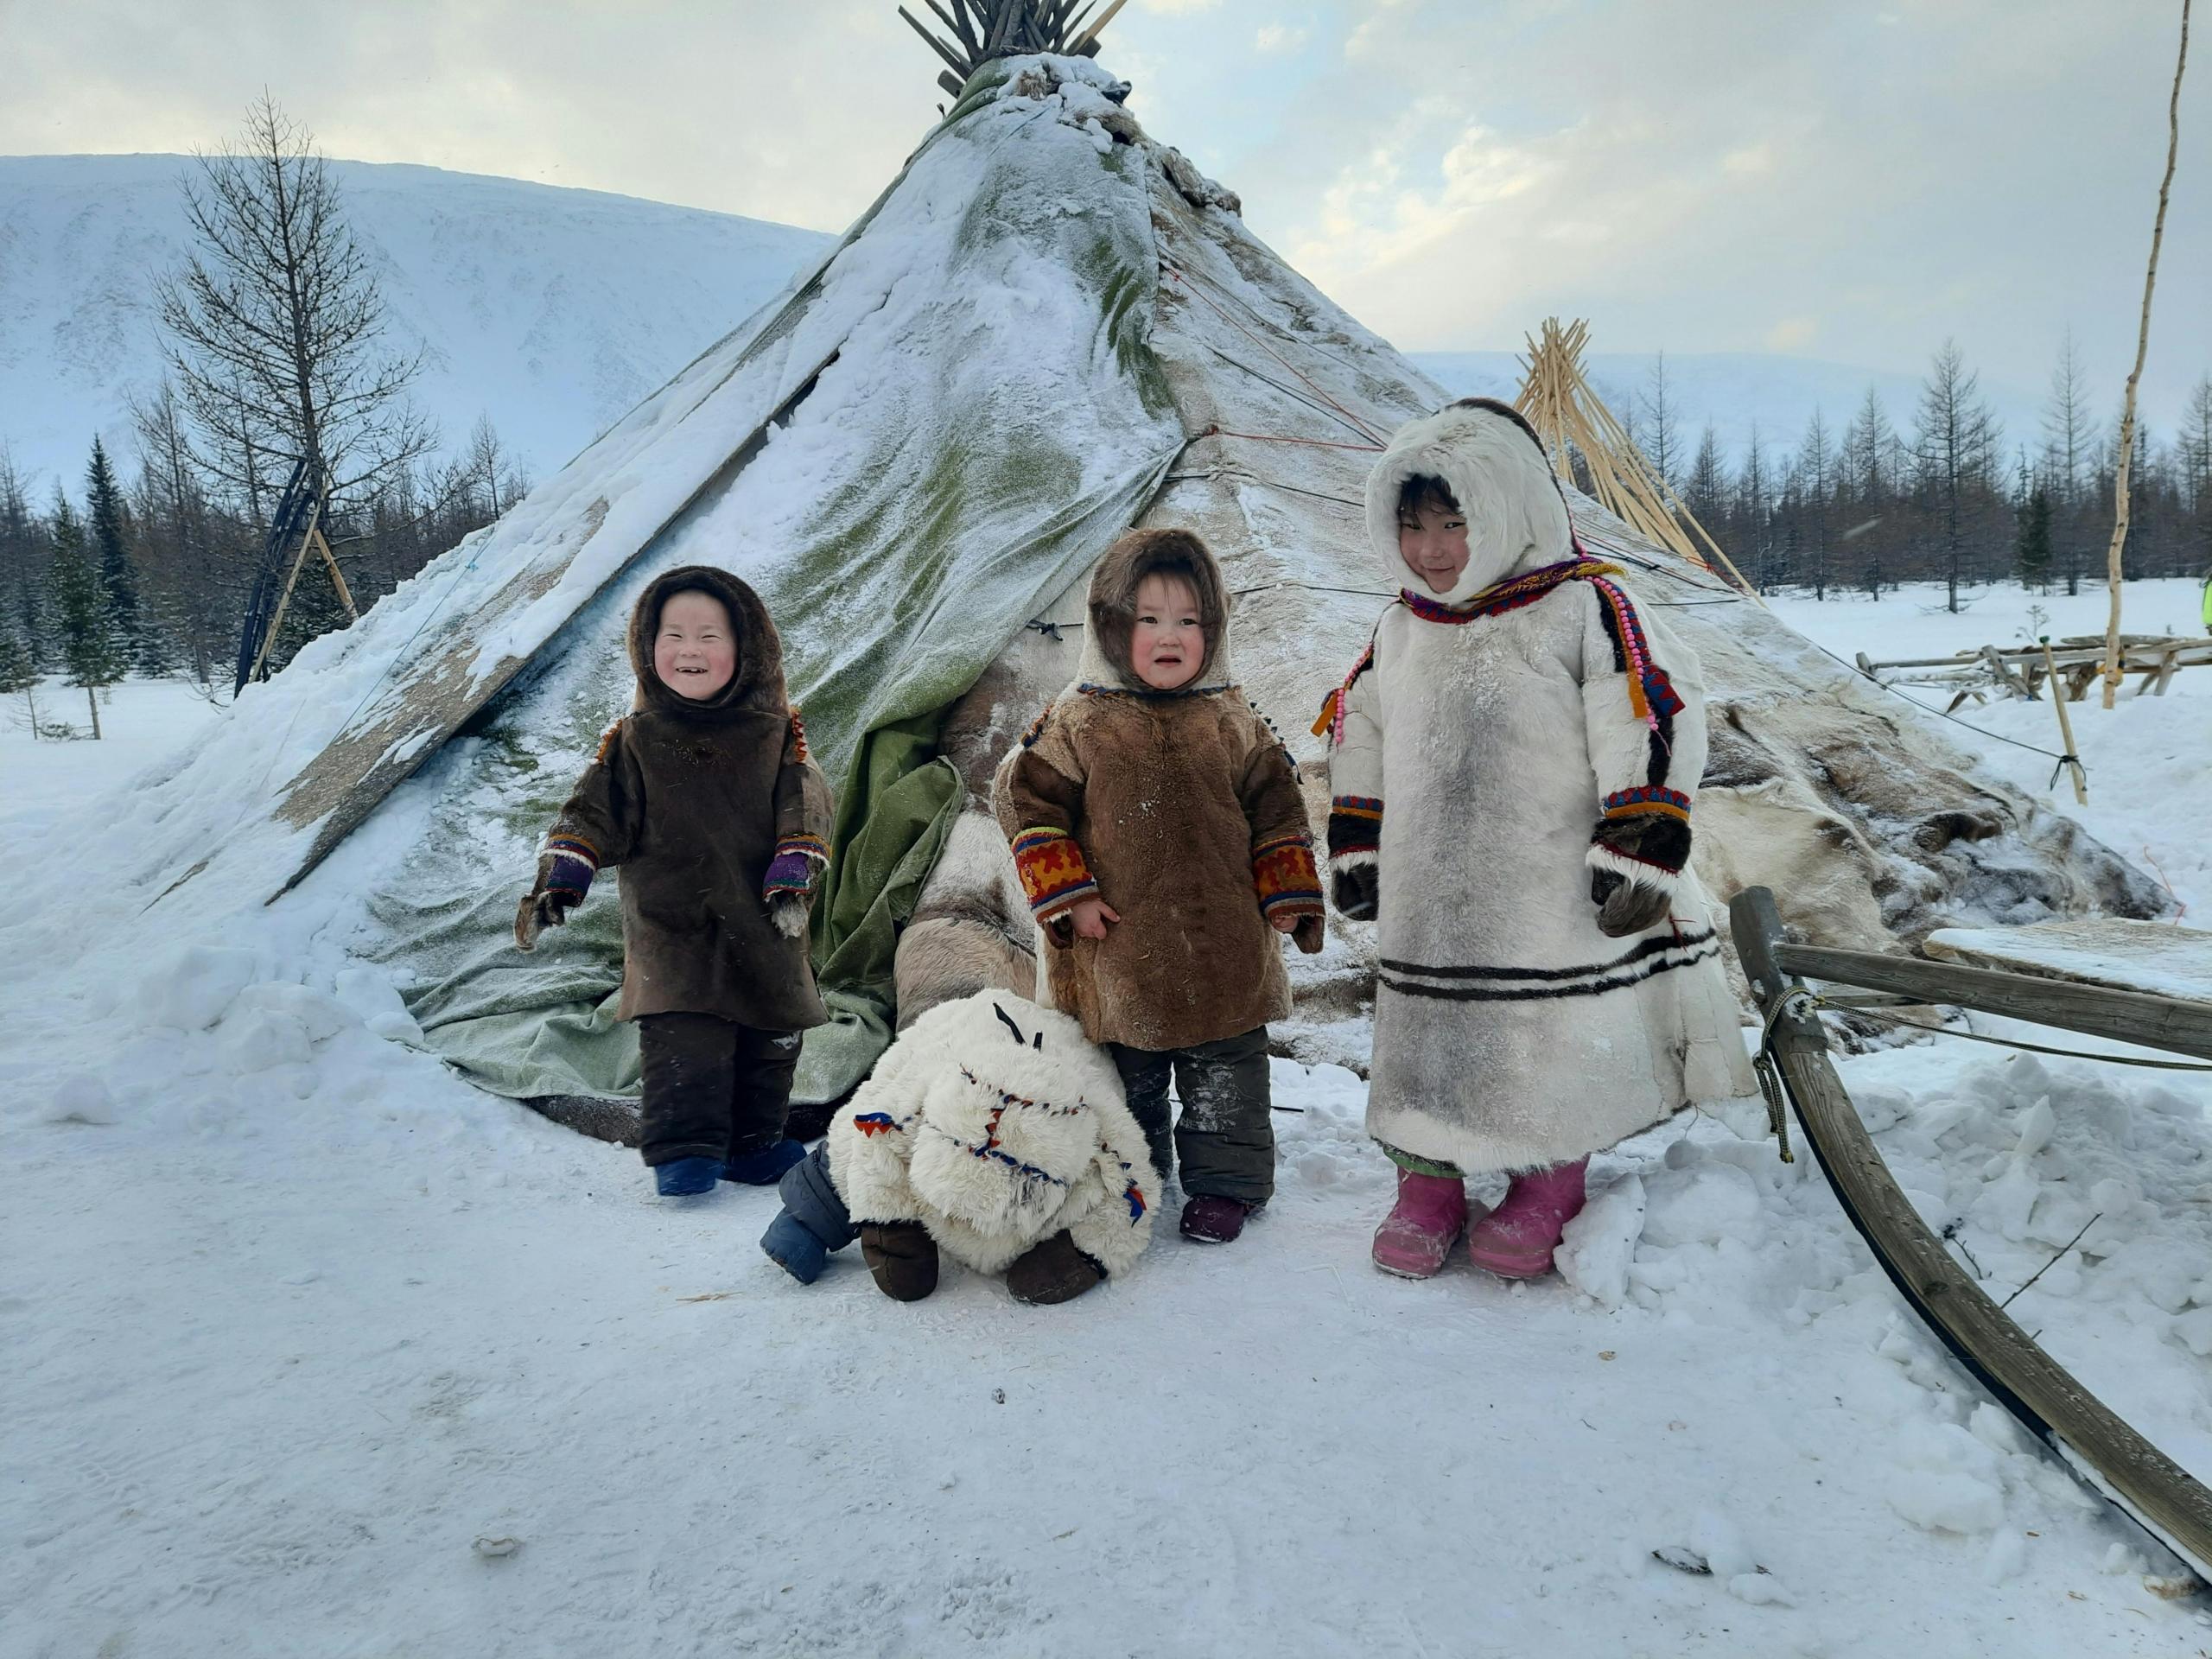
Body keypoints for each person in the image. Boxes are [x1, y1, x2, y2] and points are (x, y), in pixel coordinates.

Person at [1319, 398, 1753, 1280]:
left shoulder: (1583, 605)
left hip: (1549, 889)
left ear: (1507, 507)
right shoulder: (1402, 629)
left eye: (1454, 522)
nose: (1433, 549)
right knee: (1425, 1042)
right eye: (1412, 528)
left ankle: (1550, 1179)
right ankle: (1426, 1184)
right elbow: (1354, 730)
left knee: (1549, 1037)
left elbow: (1650, 711)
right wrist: (1357, 841)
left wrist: (1639, 842)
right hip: (1431, 896)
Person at [992, 526, 1325, 1244]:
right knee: (1129, 1075)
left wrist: (1287, 891)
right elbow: (1030, 805)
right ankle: (1133, 1171)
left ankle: (1225, 1183)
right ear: (1111, 626)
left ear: (1214, 628)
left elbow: (1278, 808)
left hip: (1225, 945)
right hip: (1122, 948)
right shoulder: (1078, 720)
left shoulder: (1233, 719)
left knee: (1228, 1074)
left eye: (1189, 621)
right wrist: (1070, 894)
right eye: (1148, 620)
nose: (1169, 635)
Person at [514, 565, 833, 1198]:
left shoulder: (776, 735)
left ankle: (754, 1143)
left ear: (749, 650)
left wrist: (794, 862)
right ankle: (685, 1154)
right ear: (646, 645)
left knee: (770, 1037)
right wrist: (567, 870)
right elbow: (595, 810)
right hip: (672, 923)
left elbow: (806, 799)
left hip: (763, 918)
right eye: (673, 634)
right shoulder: (634, 741)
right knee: (685, 1038)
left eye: (710, 636)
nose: (690, 650)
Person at [759, 991, 1156, 1305]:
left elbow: (1136, 1193)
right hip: (956, 1032)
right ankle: (806, 1218)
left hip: (1050, 1064)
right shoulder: (914, 1103)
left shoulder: (1098, 1129)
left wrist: (1087, 1253)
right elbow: (871, 1137)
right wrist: (890, 1223)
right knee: (846, 1151)